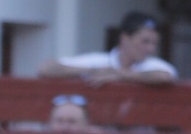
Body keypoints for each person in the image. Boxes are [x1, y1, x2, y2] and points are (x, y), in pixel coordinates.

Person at [38, 12, 178, 87]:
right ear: (124, 38)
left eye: (154, 43)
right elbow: (46, 68)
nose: (151, 49)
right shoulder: (98, 61)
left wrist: (121, 75)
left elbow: (165, 77)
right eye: (145, 41)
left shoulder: (153, 65)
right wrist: (93, 71)